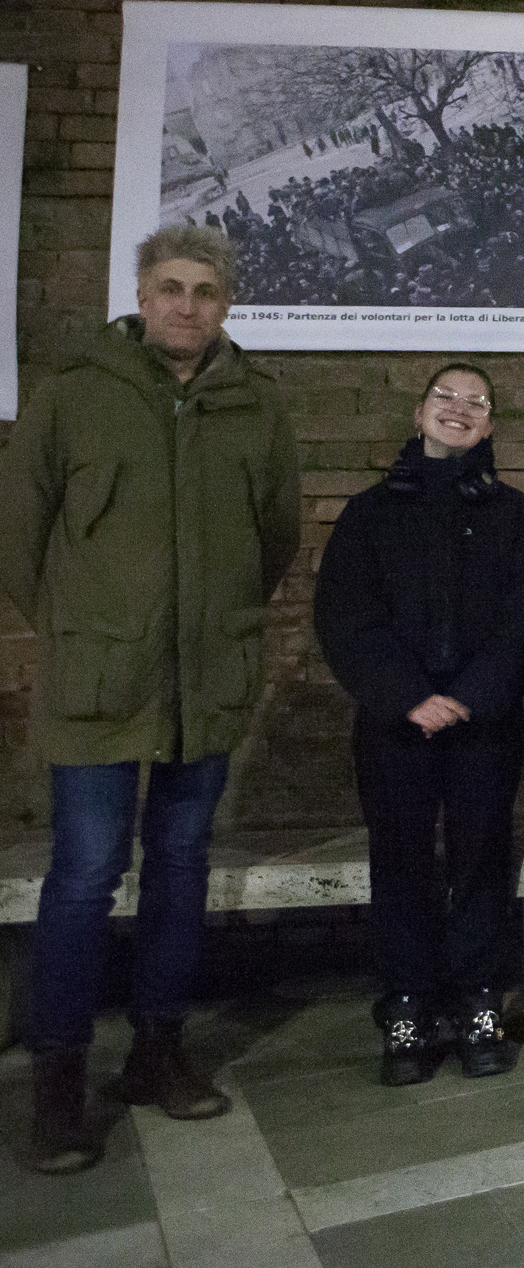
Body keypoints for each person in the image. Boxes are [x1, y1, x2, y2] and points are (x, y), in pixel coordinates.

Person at [0, 225, 300, 1175]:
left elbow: (275, 538)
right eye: (170, 287)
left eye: (206, 291)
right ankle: (57, 1083)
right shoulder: (76, 394)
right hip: (100, 682)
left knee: (179, 865)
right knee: (84, 876)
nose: (186, 304)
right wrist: (86, 623)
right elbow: (19, 533)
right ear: (139, 292)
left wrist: (217, 624)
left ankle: (158, 1053)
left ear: (226, 304)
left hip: (203, 683)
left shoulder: (256, 405)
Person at [313, 363, 524, 1087]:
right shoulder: (368, 515)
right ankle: (409, 1006)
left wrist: (474, 694)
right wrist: (407, 696)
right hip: (397, 725)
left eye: (475, 402)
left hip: (484, 724)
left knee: (483, 856)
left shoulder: (518, 518)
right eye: (444, 398)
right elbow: (347, 617)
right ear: (419, 414)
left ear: (490, 423)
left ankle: (481, 1000)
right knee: (401, 864)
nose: (458, 410)